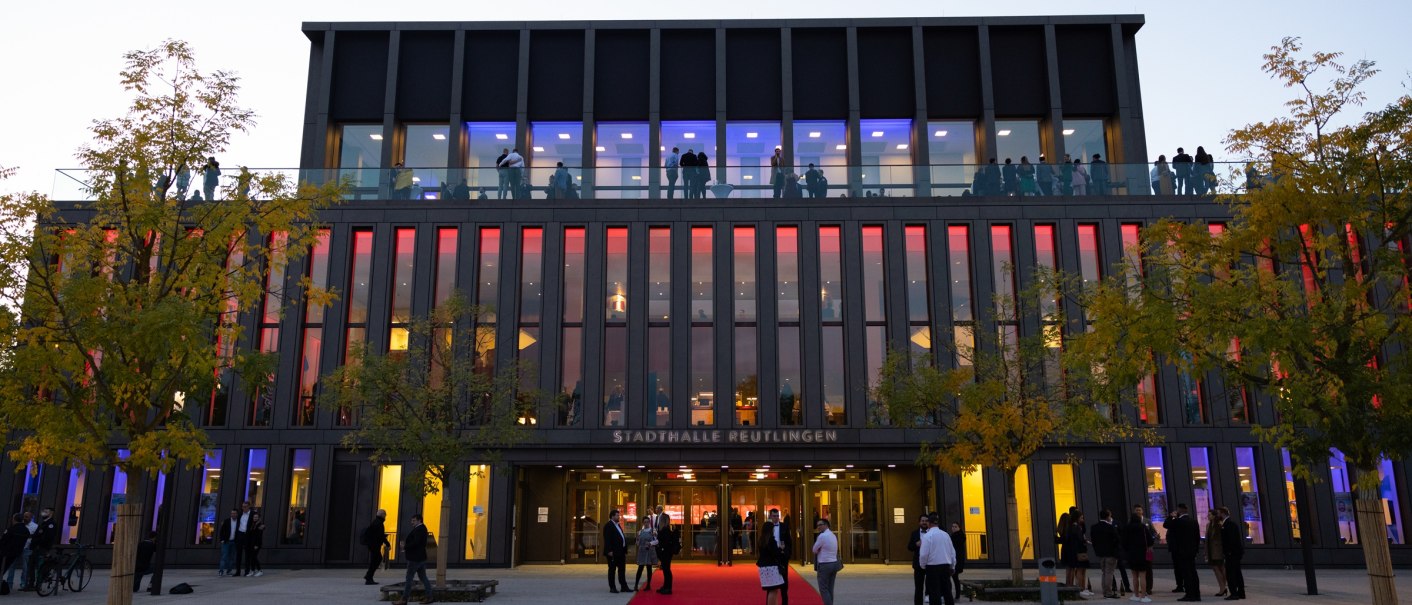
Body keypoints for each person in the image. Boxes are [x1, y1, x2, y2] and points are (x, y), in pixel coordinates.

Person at [1165, 503, 1201, 601]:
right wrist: (1196, 550)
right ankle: (1197, 594)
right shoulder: (1194, 521)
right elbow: (1197, 538)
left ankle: (1189, 594)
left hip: (1181, 551)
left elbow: (1166, 525)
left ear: (1180, 510)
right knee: (1193, 572)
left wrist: (1170, 516)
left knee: (1186, 573)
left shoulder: (1178, 521)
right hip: (1192, 551)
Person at [919, 513, 957, 605]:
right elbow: (952, 552)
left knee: (934, 593)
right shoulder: (945, 535)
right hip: (945, 566)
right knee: (947, 592)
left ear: (929, 523)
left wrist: (923, 565)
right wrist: (952, 566)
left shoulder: (927, 536)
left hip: (932, 567)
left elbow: (924, 554)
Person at [395, 514, 433, 605]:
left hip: (415, 558)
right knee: (423, 577)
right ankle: (429, 596)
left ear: (419, 520)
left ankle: (404, 599)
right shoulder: (422, 528)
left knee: (409, 578)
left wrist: (405, 546)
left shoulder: (419, 529)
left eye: (414, 520)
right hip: (421, 557)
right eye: (412, 520)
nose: (412, 522)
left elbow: (416, 542)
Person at [757, 509, 790, 605]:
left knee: (780, 587)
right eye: (774, 516)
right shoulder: (770, 540)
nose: (776, 518)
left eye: (777, 516)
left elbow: (789, 542)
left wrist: (786, 554)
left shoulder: (762, 539)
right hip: (773, 564)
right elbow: (774, 551)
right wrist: (781, 550)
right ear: (770, 516)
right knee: (773, 589)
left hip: (773, 563)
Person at [1122, 511, 1155, 603]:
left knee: (1134, 576)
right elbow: (1150, 541)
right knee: (1142, 575)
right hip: (1142, 554)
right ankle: (1143, 596)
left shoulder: (1127, 528)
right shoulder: (1143, 527)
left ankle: (1135, 595)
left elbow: (1123, 542)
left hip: (1131, 555)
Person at [1217, 506, 1245, 600]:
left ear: (1223, 513)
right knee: (1237, 573)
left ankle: (1234, 593)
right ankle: (1241, 592)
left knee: (1231, 573)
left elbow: (1231, 540)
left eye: (1219, 513)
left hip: (1232, 553)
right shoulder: (1229, 524)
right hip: (1234, 553)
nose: (1218, 515)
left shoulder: (1229, 524)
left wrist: (1228, 552)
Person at [1092, 509, 1121, 599]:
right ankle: (1108, 591)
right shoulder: (1110, 527)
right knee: (1109, 572)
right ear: (1108, 516)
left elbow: (1094, 540)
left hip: (1100, 553)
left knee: (1104, 572)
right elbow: (1117, 539)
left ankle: (1105, 590)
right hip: (1110, 553)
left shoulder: (1094, 527)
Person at [812, 518, 841, 605]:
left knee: (823, 589)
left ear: (826, 525)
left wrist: (819, 549)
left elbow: (814, 549)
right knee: (830, 588)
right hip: (834, 563)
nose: (818, 527)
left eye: (820, 525)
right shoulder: (833, 535)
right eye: (817, 525)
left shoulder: (822, 536)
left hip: (824, 565)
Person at [1063, 512, 1092, 596]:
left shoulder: (1071, 527)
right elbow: (1079, 539)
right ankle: (1080, 588)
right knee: (1079, 570)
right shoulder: (1076, 528)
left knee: (1076, 569)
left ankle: (1078, 587)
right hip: (1077, 551)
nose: (1083, 520)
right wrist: (1085, 541)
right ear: (1077, 518)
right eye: (1081, 518)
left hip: (1073, 551)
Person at [1, 513, 30, 594]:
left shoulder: (11, 529)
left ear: (14, 519)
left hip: (5, 553)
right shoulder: (26, 530)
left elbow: (4, 540)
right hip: (16, 552)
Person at [603, 509, 629, 593]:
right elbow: (607, 539)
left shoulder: (617, 525)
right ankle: (612, 587)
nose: (619, 517)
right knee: (612, 570)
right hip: (613, 552)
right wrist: (609, 551)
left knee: (622, 569)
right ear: (612, 516)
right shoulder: (608, 525)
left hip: (620, 552)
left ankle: (624, 586)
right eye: (617, 515)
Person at [362, 509, 390, 585]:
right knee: (376, 560)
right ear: (382, 515)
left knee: (375, 560)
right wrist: (387, 543)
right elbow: (380, 535)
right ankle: (369, 577)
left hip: (372, 544)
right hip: (374, 545)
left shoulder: (376, 522)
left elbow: (377, 534)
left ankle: (368, 576)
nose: (385, 516)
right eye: (385, 514)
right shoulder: (379, 523)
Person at [1206, 510, 1229, 597]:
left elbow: (1222, 538)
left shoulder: (1219, 524)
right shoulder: (1208, 525)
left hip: (1218, 550)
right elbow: (1207, 540)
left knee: (1221, 568)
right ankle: (1222, 587)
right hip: (1211, 550)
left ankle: (1223, 587)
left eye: (1209, 515)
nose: (1208, 516)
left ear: (1214, 516)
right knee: (1215, 568)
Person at [906, 513, 927, 605]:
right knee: (918, 587)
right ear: (919, 522)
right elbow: (909, 547)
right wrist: (916, 544)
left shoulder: (932, 533)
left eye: (926, 521)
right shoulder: (914, 533)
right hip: (918, 565)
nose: (924, 522)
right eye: (922, 521)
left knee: (931, 586)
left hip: (930, 564)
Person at [656, 515, 679, 595]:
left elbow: (664, 542)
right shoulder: (667, 529)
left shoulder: (665, 530)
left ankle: (668, 588)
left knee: (667, 570)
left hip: (666, 553)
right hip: (667, 552)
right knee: (666, 570)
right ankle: (666, 586)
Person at [633, 523, 657, 591]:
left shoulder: (653, 531)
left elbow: (657, 541)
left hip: (649, 551)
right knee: (640, 568)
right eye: (645, 522)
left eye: (647, 522)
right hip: (642, 551)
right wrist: (637, 539)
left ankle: (648, 585)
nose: (646, 523)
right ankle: (636, 585)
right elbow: (637, 543)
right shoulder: (640, 532)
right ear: (643, 522)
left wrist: (650, 543)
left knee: (649, 568)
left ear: (649, 522)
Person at [948, 522, 967, 601]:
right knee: (954, 578)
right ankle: (955, 595)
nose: (954, 528)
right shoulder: (953, 536)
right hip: (954, 561)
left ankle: (956, 596)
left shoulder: (959, 536)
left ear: (959, 528)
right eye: (953, 526)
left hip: (957, 561)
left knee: (954, 578)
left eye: (956, 526)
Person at [244, 512, 266, 577]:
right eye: (254, 517)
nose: (255, 518)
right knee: (252, 557)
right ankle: (252, 570)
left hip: (256, 544)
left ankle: (260, 570)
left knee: (254, 557)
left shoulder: (260, 525)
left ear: (259, 518)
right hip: (251, 543)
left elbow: (259, 536)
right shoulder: (253, 524)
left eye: (256, 517)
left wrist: (257, 544)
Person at [218, 509, 239, 577]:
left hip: (234, 542)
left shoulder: (239, 522)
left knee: (232, 558)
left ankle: (229, 571)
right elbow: (222, 531)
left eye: (234, 513)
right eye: (232, 513)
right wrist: (222, 539)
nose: (233, 514)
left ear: (237, 514)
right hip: (226, 542)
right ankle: (221, 571)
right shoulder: (226, 521)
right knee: (224, 556)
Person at [234, 501, 253, 576]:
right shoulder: (240, 515)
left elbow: (258, 521)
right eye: (242, 507)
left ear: (249, 507)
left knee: (247, 554)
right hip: (240, 534)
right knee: (238, 554)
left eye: (245, 507)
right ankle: (238, 571)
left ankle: (247, 571)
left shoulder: (252, 514)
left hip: (247, 535)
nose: (243, 508)